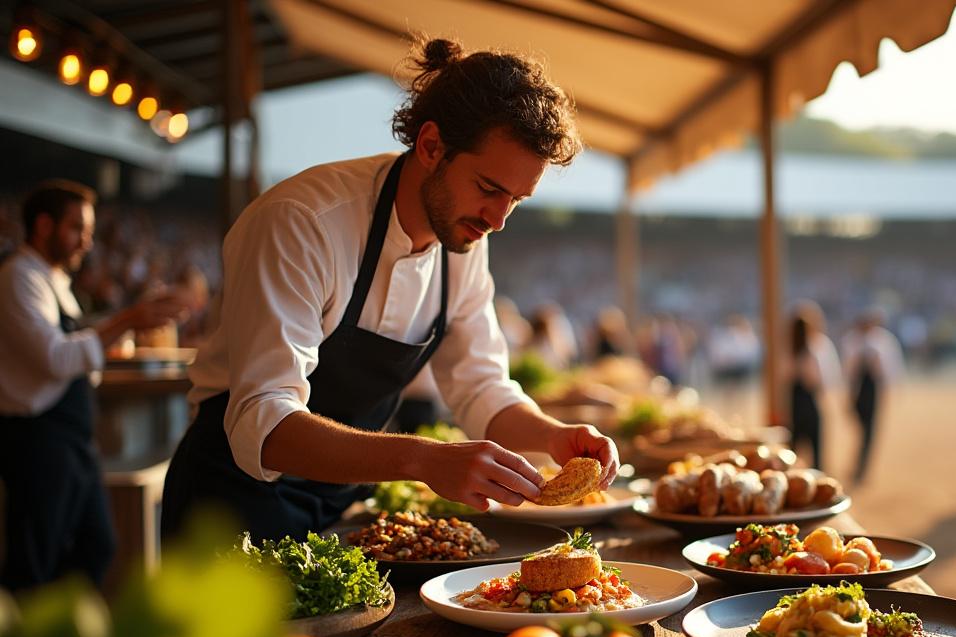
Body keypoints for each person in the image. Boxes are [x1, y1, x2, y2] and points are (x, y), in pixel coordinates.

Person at [161, 37, 618, 543]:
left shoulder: (463, 236)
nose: (499, 220)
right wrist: (423, 459)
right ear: (430, 146)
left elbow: (481, 387)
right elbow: (263, 421)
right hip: (230, 508)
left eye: (517, 199)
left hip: (339, 507)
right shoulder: (302, 222)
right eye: (489, 188)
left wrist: (554, 437)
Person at [0, 180, 187, 590]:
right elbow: (55, 358)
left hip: (73, 442)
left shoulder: (54, 281)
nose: (86, 241)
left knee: (97, 546)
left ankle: (62, 632)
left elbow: (75, 343)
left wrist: (116, 329)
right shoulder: (19, 276)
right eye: (76, 228)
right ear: (44, 226)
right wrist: (127, 320)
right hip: (37, 439)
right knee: (33, 561)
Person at [841, 307, 905, 485]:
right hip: (858, 390)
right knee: (862, 429)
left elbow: (890, 369)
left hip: (873, 390)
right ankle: (859, 463)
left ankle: (862, 467)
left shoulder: (883, 341)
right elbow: (849, 371)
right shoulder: (852, 340)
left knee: (869, 431)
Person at [788, 301, 841, 471]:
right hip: (810, 403)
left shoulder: (787, 350)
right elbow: (820, 379)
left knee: (792, 452)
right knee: (816, 453)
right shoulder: (815, 348)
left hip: (793, 405)